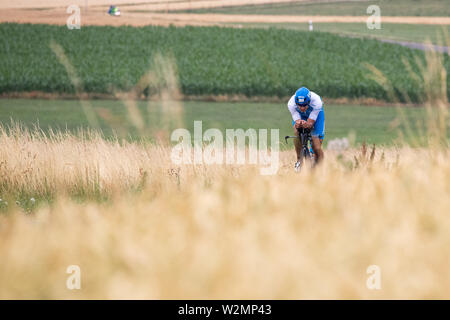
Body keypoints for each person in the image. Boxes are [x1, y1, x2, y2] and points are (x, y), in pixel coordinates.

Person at [287, 86, 325, 171]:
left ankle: (317, 164)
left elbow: (310, 123)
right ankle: (299, 160)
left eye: (304, 105)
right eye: (299, 105)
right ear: (296, 103)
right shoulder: (291, 104)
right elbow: (297, 121)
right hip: (301, 116)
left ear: (309, 101)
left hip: (316, 115)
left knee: (316, 147)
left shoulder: (317, 102)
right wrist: (299, 123)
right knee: (296, 131)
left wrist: (308, 124)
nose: (302, 108)